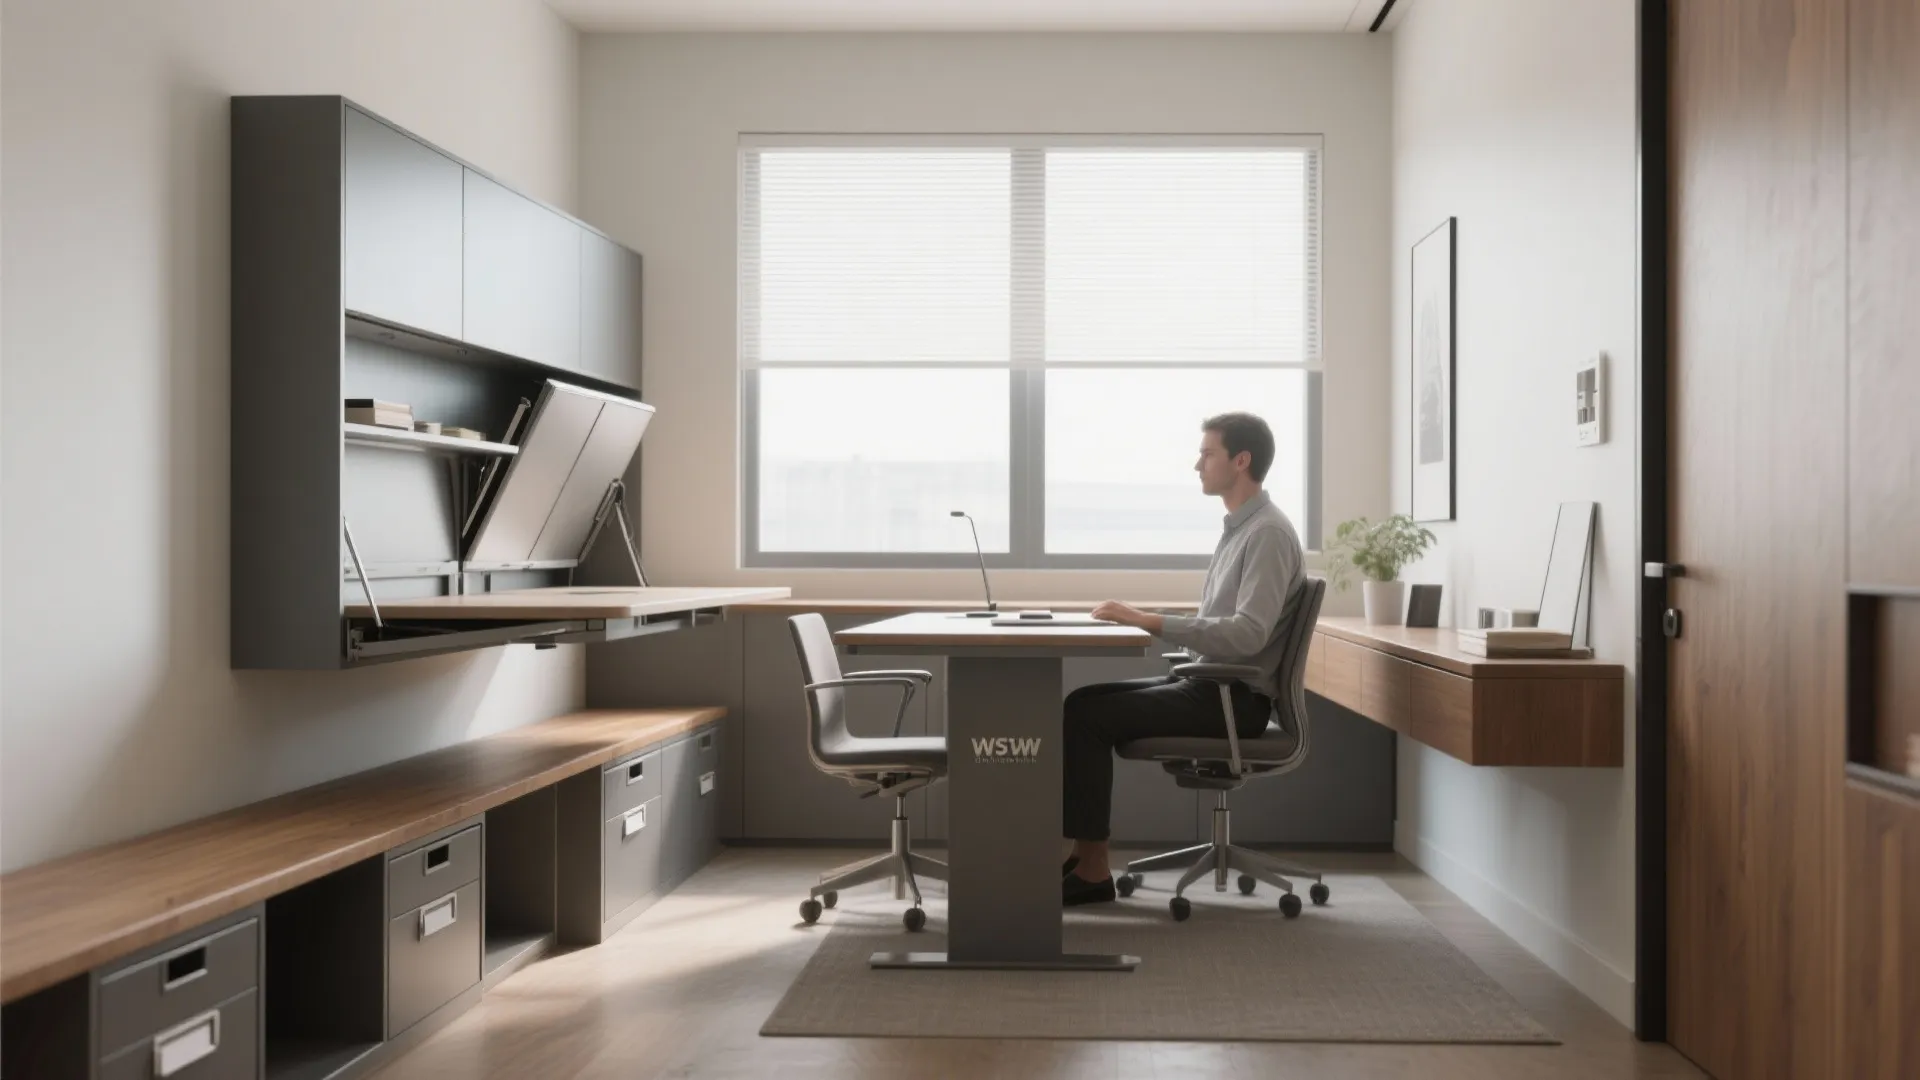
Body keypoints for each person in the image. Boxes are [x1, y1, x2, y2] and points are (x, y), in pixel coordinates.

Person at [1063, 411, 1306, 906]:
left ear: (1241, 461)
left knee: (1087, 716)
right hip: (1209, 686)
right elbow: (1225, 625)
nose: (1197, 465)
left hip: (1233, 703)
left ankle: (1091, 871)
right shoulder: (1240, 530)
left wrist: (1149, 620)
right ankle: (1081, 855)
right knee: (1080, 704)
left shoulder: (1267, 536)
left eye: (1207, 453)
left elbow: (1247, 633)